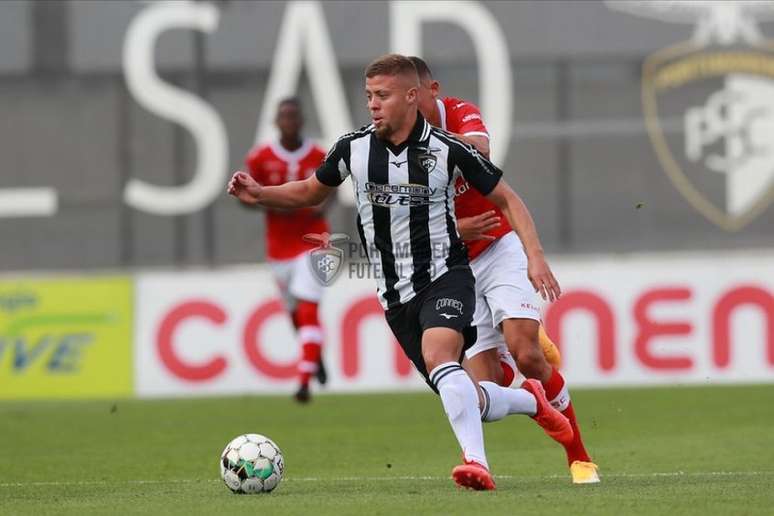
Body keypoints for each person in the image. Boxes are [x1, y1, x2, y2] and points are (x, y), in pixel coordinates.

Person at [229, 54, 569, 491]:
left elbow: (507, 199)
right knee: (464, 392)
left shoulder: (450, 150)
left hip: (448, 275)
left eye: (383, 95)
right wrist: (260, 193)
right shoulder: (352, 148)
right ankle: (530, 400)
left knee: (440, 357)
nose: (373, 104)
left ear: (412, 97)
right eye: (369, 95)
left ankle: (477, 464)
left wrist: (534, 255)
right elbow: (310, 191)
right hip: (395, 294)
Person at [409, 56, 599, 484]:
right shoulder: (393, 150)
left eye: (413, 97)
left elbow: (480, 150)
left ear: (430, 91)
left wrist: (535, 256)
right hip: (454, 268)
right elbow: (405, 225)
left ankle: (579, 457)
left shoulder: (458, 113)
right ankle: (522, 385)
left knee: (530, 353)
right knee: (483, 392)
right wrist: (457, 227)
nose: (407, 108)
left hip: (498, 249)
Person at [243, 97, 329, 404]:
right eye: (284, 116)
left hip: (314, 242)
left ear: (301, 120)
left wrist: (320, 206)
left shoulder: (318, 154)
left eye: (294, 115)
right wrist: (259, 201)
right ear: (277, 122)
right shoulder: (260, 157)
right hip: (279, 249)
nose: (289, 121)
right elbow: (247, 196)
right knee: (295, 314)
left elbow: (329, 186)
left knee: (308, 309)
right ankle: (315, 357)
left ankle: (304, 380)